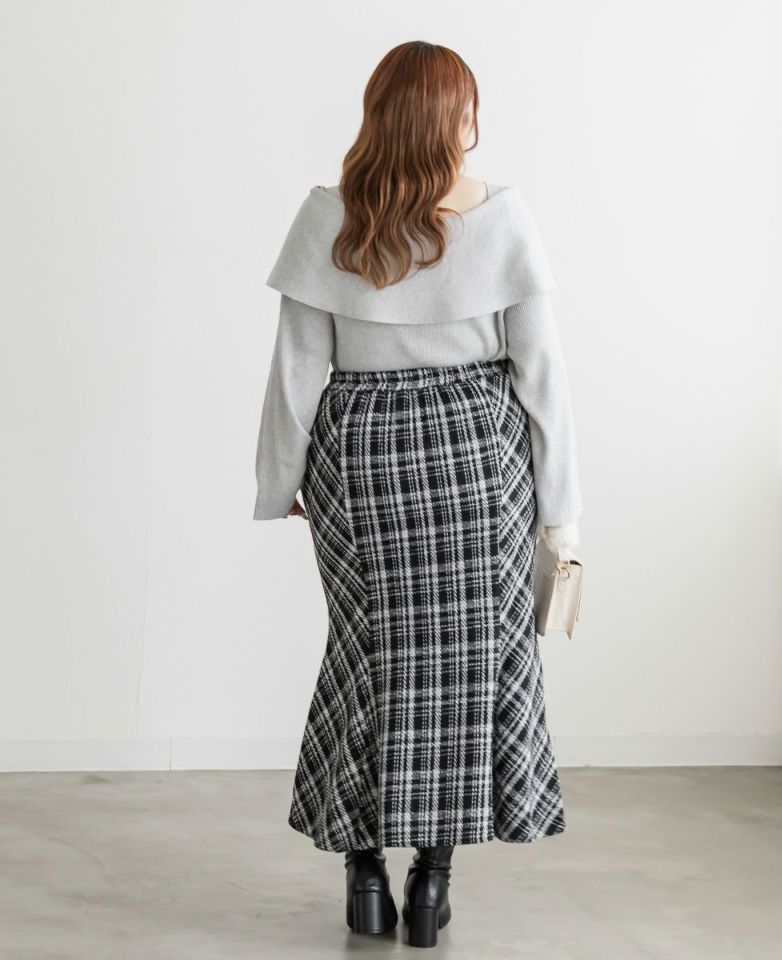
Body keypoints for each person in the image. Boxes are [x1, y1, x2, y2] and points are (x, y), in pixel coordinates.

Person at [253, 40, 583, 949]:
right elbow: (543, 378)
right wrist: (562, 513)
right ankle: (431, 883)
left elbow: (297, 370)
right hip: (478, 461)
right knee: (465, 671)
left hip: (361, 460)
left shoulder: (328, 217)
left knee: (368, 658)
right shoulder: (503, 217)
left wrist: (280, 480)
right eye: (470, 106)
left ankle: (363, 875)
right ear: (453, 120)